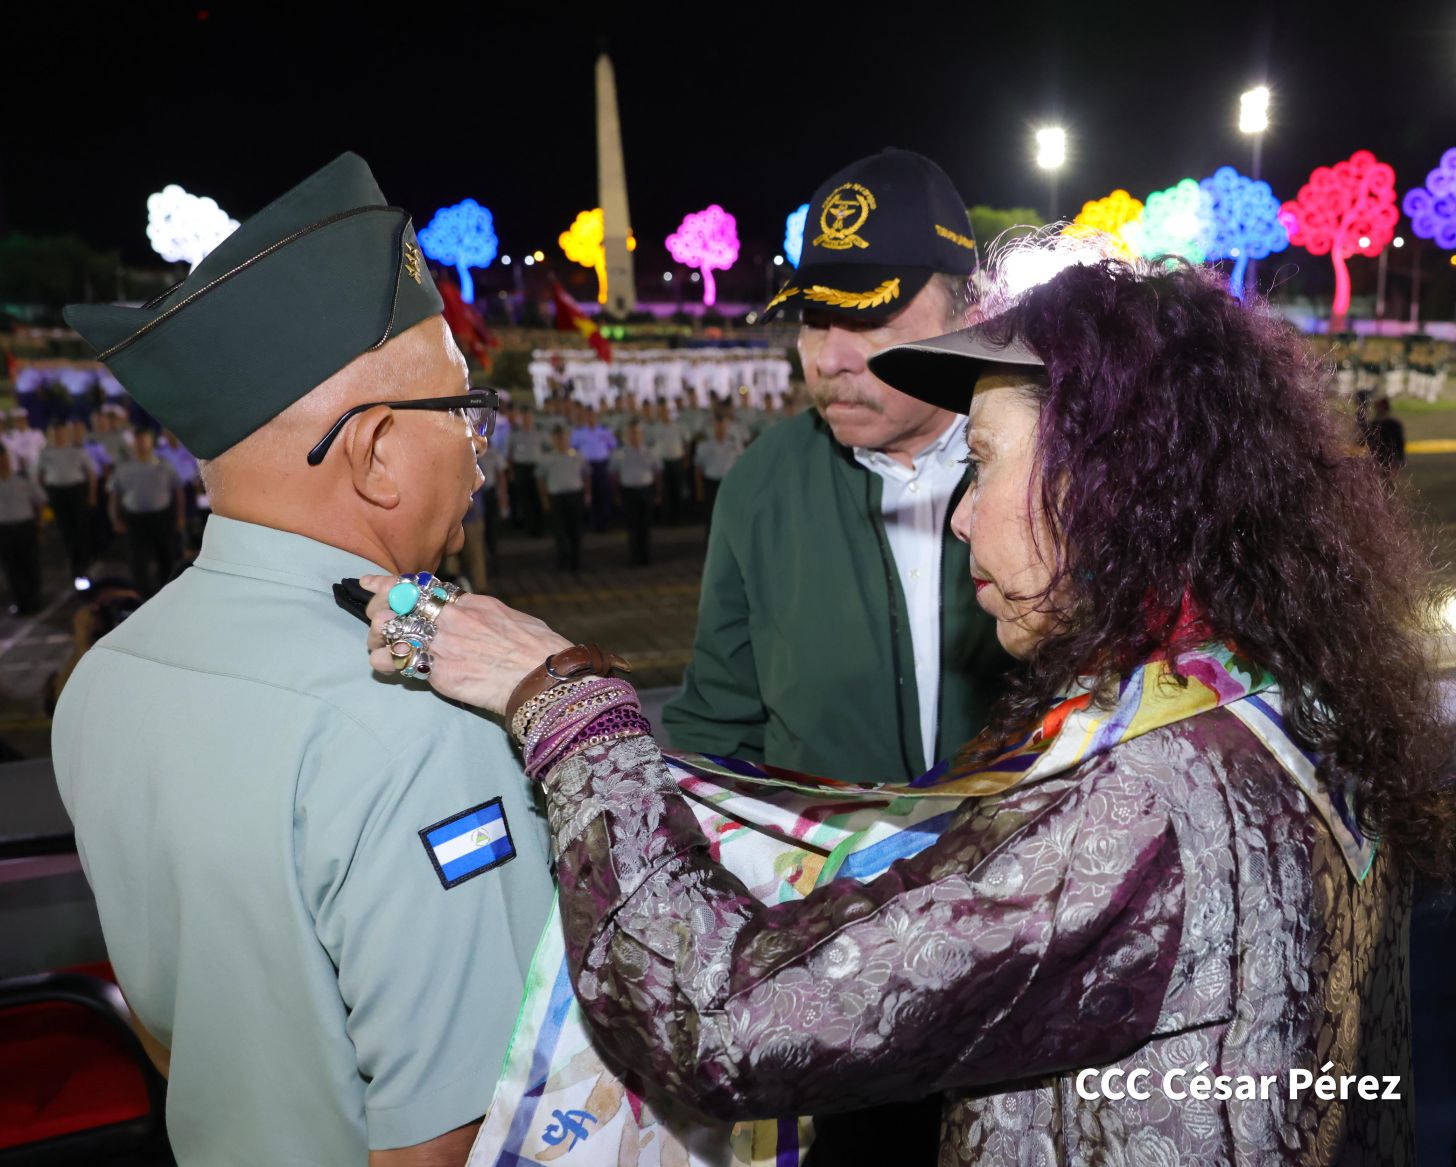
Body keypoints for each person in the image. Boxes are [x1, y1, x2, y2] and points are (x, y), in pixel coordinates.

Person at [364, 254, 1454, 1165]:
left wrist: (570, 709)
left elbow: (722, 1026)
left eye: (982, 467)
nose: (963, 521)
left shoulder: (1141, 800)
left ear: (1114, 481)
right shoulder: (1274, 688)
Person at [53, 152, 554, 1167]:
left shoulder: (109, 674)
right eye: (463, 413)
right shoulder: (418, 723)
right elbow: (455, 1137)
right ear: (373, 452)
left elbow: (169, 1028)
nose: (478, 452)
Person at [665, 148, 1011, 789]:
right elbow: (718, 722)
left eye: (869, 320)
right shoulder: (762, 483)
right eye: (814, 322)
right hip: (832, 882)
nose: (829, 359)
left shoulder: (1053, 468)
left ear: (969, 319)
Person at [108, 428, 184, 596]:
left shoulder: (164, 464)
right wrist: (115, 519)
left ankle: (168, 593)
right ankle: (143, 597)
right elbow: (115, 495)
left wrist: (180, 516)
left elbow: (178, 490)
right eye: (138, 441)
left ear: (151, 442)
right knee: (138, 560)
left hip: (161, 517)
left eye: (145, 440)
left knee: (166, 557)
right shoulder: (123, 467)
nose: (142, 444)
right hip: (135, 520)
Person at [36, 418, 96, 590]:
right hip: (57, 492)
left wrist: (91, 496)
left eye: (61, 433)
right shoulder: (45, 453)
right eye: (55, 434)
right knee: (65, 528)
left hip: (75, 491)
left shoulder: (76, 450)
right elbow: (39, 475)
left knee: (81, 527)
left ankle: (84, 561)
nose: (59, 436)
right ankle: (73, 560)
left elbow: (91, 473)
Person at [609, 418, 662, 566]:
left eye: (637, 432)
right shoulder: (619, 454)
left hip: (646, 490)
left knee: (645, 526)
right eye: (631, 433)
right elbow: (614, 475)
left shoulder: (650, 452)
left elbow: (657, 473)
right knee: (632, 527)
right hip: (628, 492)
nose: (634, 436)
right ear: (626, 435)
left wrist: (658, 492)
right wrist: (617, 494)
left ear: (642, 434)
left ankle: (646, 556)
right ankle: (634, 557)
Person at [537, 425, 589, 572]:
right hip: (557, 498)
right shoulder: (547, 459)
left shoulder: (577, 456)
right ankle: (562, 561)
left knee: (576, 531)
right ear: (553, 440)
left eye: (564, 437)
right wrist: (545, 499)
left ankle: (576, 561)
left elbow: (586, 475)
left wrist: (586, 494)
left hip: (575, 496)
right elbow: (540, 480)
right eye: (558, 438)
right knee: (560, 532)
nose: (561, 441)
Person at [0, 444, 45, 613]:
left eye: (4, 459)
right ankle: (20, 602)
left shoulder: (22, 479)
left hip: (24, 527)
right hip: (3, 530)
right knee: (12, 569)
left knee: (30, 565)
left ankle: (35, 600)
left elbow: (39, 501)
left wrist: (39, 525)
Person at [692, 414, 740, 534]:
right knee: (711, 515)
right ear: (714, 427)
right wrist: (699, 489)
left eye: (723, 427)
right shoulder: (704, 446)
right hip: (711, 483)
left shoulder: (734, 445)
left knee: (729, 514)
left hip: (728, 484)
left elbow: (740, 466)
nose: (721, 429)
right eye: (718, 427)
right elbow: (698, 468)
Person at [571, 405, 617, 531]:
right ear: (584, 417)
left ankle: (605, 522)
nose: (590, 418)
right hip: (586, 466)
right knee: (589, 495)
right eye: (588, 415)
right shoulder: (578, 433)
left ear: (597, 417)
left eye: (593, 415)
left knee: (603, 494)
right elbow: (572, 450)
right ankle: (593, 522)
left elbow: (613, 446)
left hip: (602, 465)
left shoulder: (604, 431)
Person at [647, 399, 689, 524]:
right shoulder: (654, 428)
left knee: (677, 489)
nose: (665, 413)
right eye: (662, 411)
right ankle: (667, 517)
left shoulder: (679, 426)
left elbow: (686, 443)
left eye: (667, 411)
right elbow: (650, 446)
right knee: (664, 491)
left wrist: (686, 459)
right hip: (661, 463)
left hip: (676, 461)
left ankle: (678, 517)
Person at [507, 408, 547, 537]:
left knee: (538, 498)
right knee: (525, 499)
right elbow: (510, 455)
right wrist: (512, 471)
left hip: (537, 468)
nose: (527, 420)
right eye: (524, 417)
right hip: (521, 468)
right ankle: (529, 528)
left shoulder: (539, 433)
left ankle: (539, 527)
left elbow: (548, 448)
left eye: (529, 417)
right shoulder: (515, 434)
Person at [1367, 397, 1406, 476]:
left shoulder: (1393, 424)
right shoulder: (1373, 424)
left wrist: (1398, 459)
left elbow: (1399, 443)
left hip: (1390, 458)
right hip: (1377, 458)